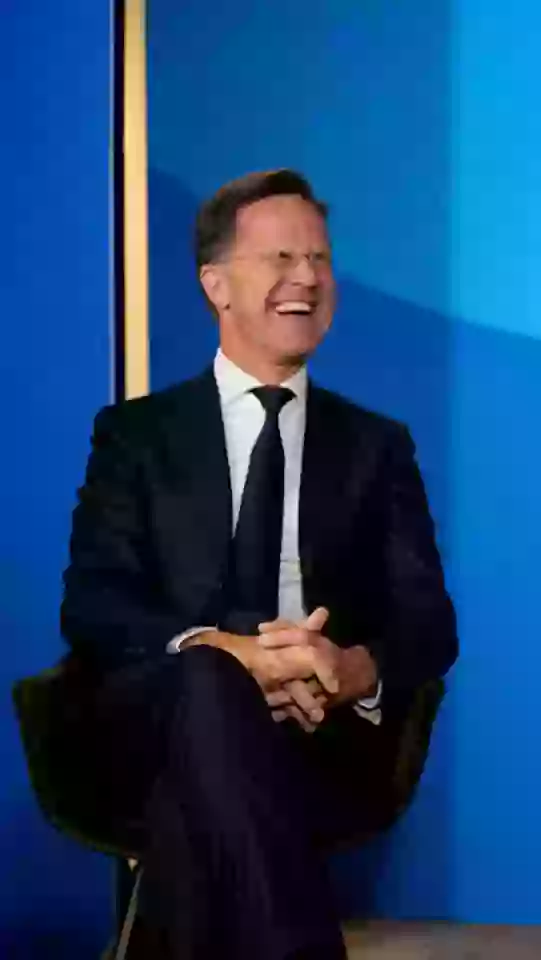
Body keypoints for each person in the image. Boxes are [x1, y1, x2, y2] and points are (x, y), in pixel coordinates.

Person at [58, 169, 458, 959]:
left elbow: (428, 621)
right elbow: (94, 601)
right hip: (155, 723)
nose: (306, 278)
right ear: (217, 284)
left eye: (319, 259)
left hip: (321, 732)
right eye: (280, 257)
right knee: (211, 682)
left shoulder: (377, 446)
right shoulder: (136, 436)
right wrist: (231, 655)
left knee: (197, 804)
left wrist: (346, 669)